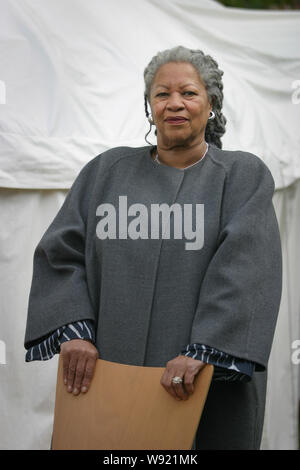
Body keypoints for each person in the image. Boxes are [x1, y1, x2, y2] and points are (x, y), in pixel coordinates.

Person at [24, 45, 282, 450]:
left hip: (201, 381)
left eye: (189, 93)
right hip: (111, 375)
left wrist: (205, 349)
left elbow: (248, 267)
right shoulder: (106, 173)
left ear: (211, 103)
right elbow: (61, 254)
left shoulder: (241, 176)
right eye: (162, 94)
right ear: (149, 106)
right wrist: (74, 332)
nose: (174, 103)